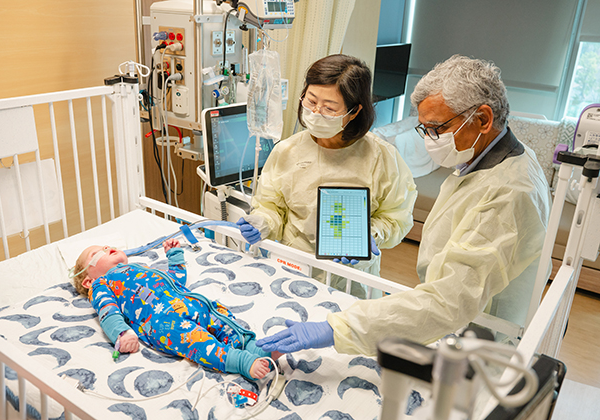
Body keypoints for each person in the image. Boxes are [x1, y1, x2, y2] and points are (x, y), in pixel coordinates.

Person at [255, 54, 552, 356]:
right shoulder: (484, 162)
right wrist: (261, 221)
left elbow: (448, 299)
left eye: (436, 128)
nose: (429, 140)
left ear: (484, 119)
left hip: (481, 337)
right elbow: (269, 204)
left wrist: (339, 328)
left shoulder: (509, 192)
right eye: (424, 129)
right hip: (294, 273)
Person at [237, 54, 417, 297]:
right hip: (293, 267)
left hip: (352, 277)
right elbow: (271, 205)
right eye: (311, 101)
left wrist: (369, 237)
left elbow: (396, 216)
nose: (316, 112)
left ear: (354, 112)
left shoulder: (381, 157)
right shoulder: (287, 151)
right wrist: (263, 221)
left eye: (329, 108)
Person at [71, 239, 274, 380]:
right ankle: (239, 361)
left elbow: (174, 282)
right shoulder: (102, 284)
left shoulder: (139, 269)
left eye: (108, 246)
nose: (108, 248)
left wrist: (174, 257)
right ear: (89, 280)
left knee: (220, 318)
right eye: (96, 252)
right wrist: (122, 333)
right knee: (198, 342)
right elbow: (108, 311)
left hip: (190, 302)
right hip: (164, 321)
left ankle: (251, 346)